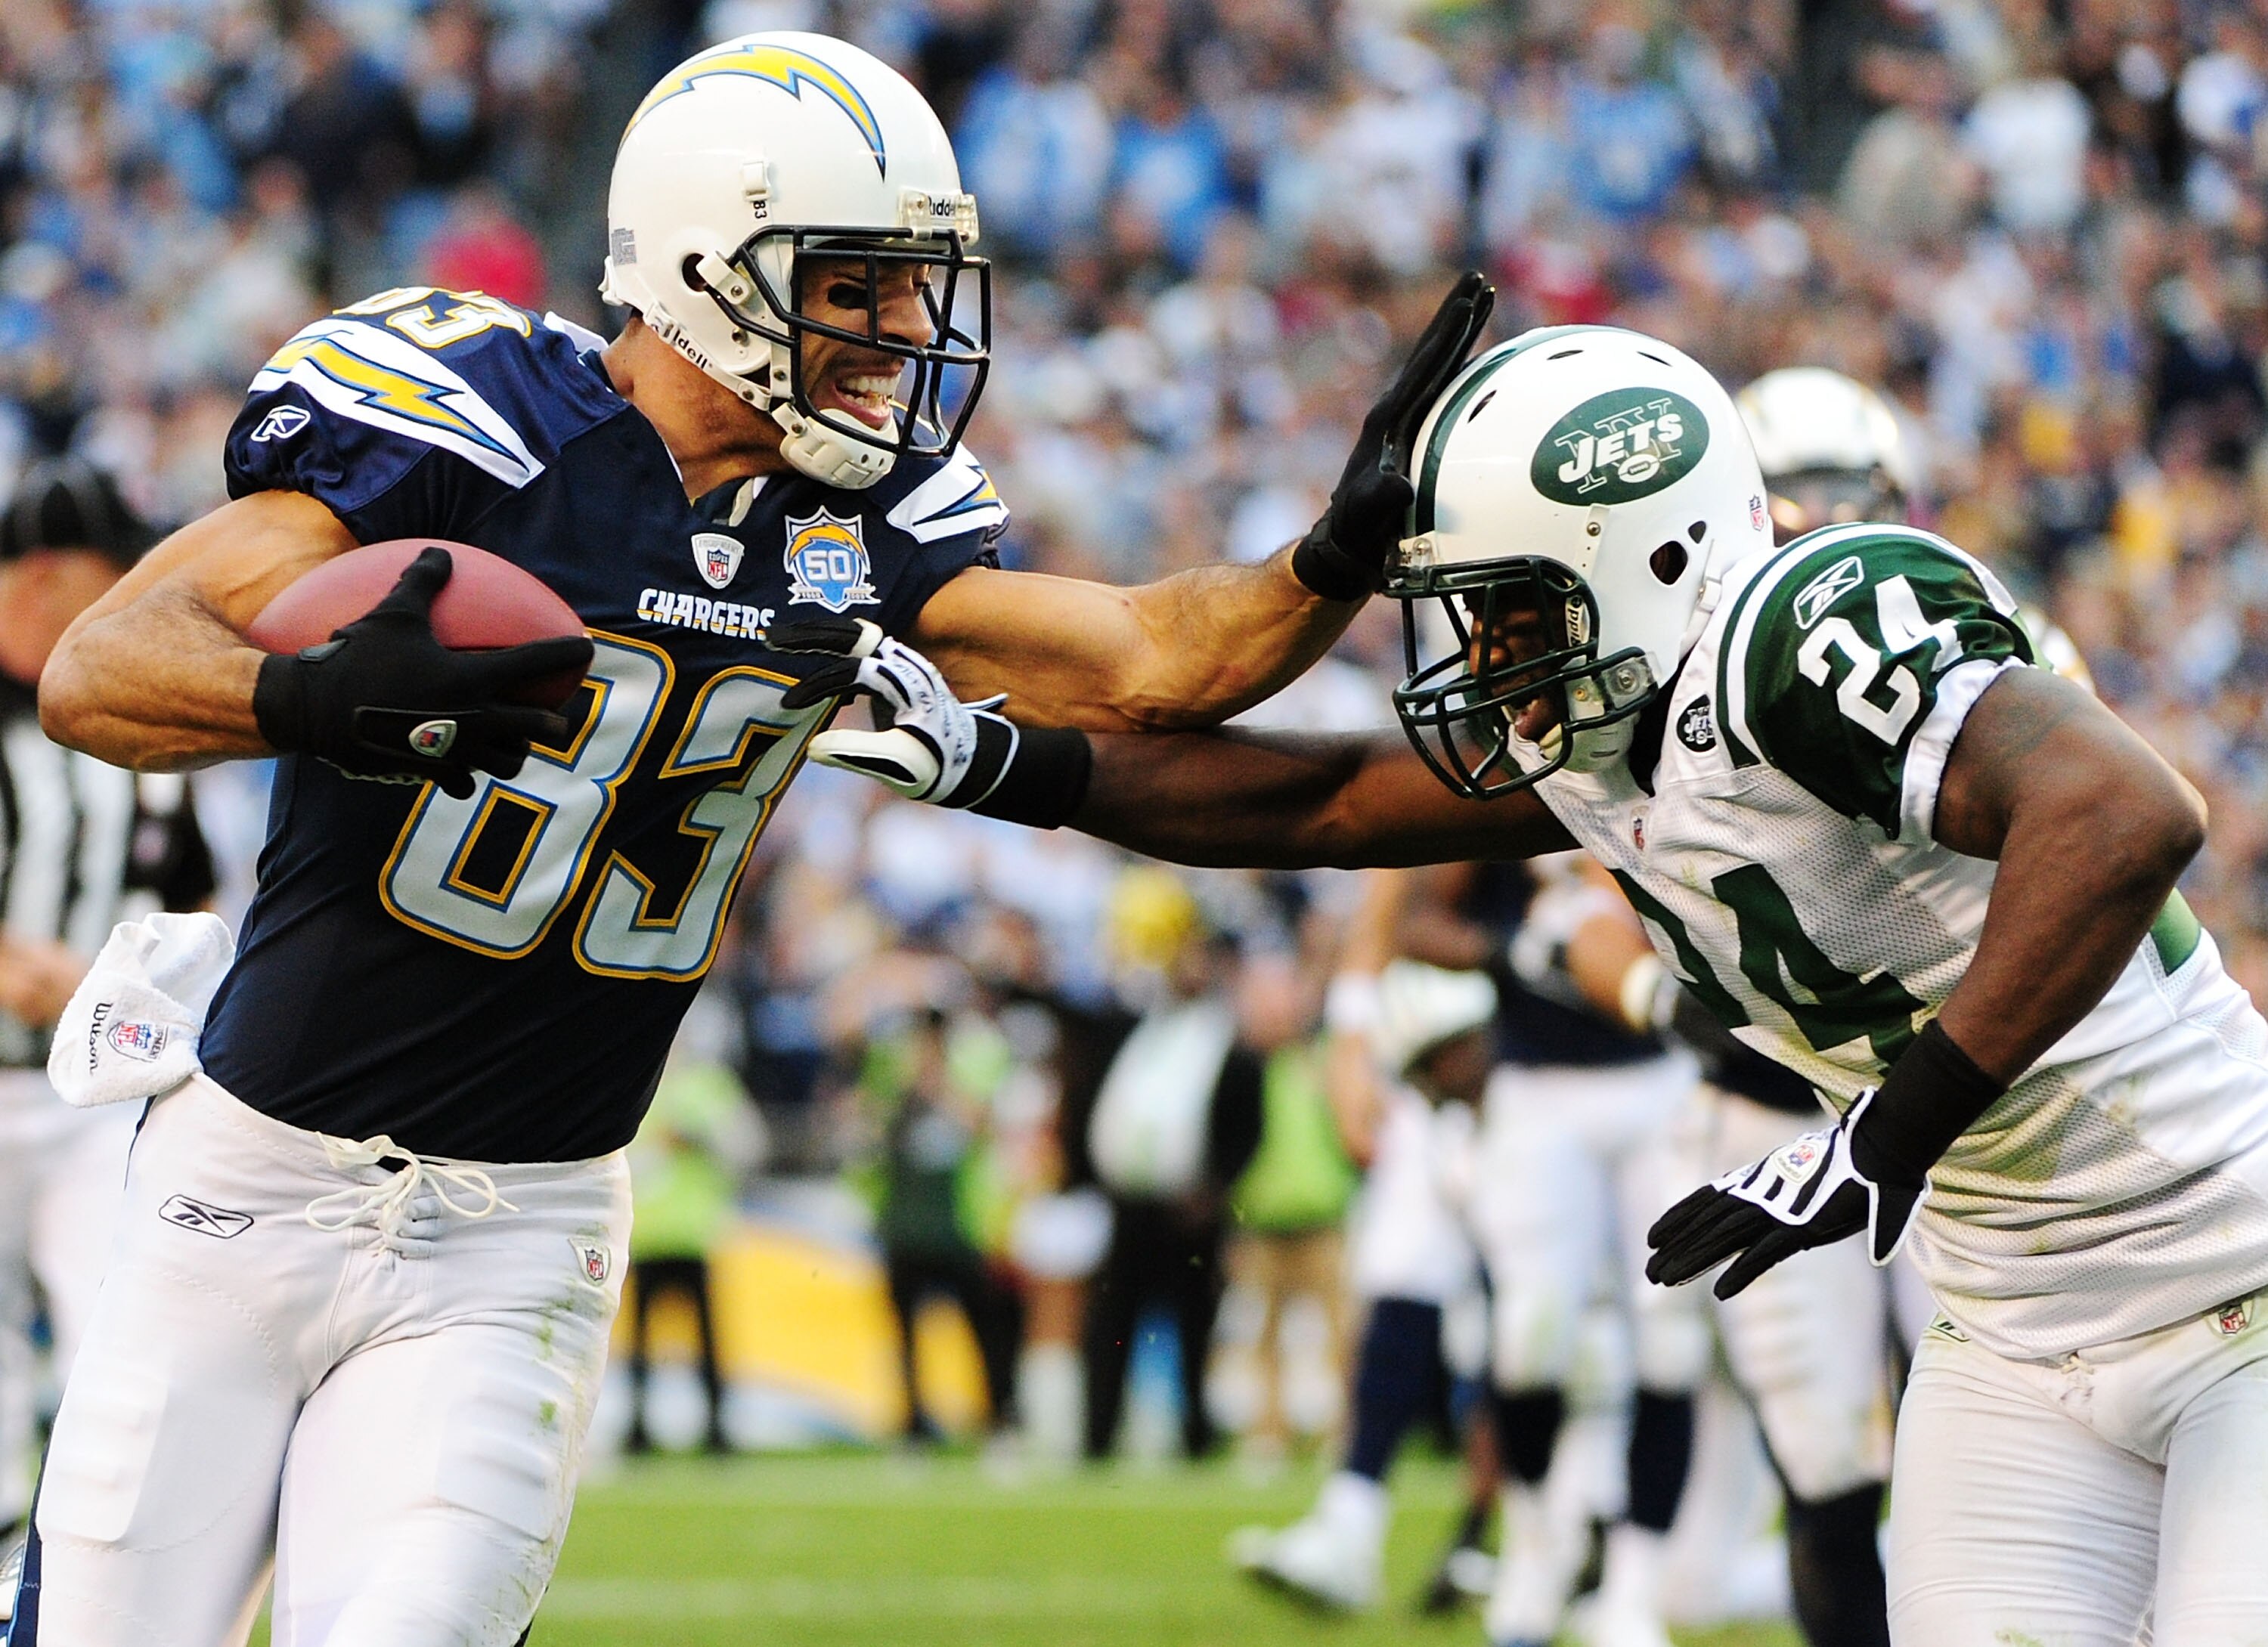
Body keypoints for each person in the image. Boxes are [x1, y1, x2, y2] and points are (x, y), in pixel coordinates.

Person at [13, 31, 1494, 1645]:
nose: (909, 331)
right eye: (859, 284)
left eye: (916, 285)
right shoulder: (475, 429)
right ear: (713, 268)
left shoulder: (866, 528)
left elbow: (1155, 659)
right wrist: (313, 699)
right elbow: (101, 665)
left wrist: (1333, 553)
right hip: (246, 1186)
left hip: (517, 1238)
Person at [807, 323, 2268, 1645]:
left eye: (1510, 610)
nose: (1482, 657)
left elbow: (2129, 816)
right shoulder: (1607, 738)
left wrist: (1886, 1137)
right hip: (2011, 1324)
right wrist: (1004, 763)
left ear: (1644, 559)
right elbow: (1317, 807)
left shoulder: (1793, 629)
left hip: (2233, 1268)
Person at [0, 462, 212, 1624]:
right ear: (38, 581)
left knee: (118, 1347)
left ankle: (83, 1599)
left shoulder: (124, 722)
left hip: (93, 1101)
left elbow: (190, 905)